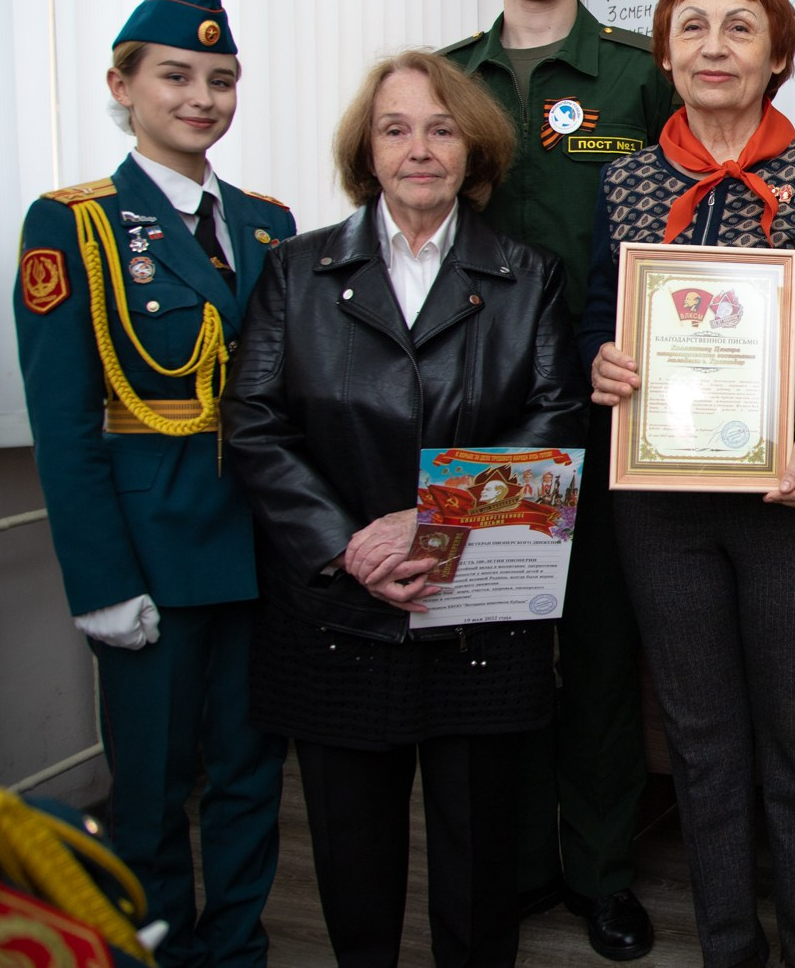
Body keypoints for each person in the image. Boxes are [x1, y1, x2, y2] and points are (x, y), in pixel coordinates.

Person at [222, 51, 586, 968]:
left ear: (473, 147)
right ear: (367, 150)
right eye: (396, 128)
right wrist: (349, 544)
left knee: (479, 865)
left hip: (478, 611)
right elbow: (255, 425)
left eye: (441, 126)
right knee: (353, 860)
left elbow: (555, 422)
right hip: (339, 610)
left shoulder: (528, 273)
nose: (419, 148)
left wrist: (433, 521)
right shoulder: (295, 271)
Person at [583, 0, 795, 968]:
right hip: (662, 512)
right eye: (692, 25)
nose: (714, 45)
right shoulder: (624, 184)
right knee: (701, 748)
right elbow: (595, 321)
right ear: (665, 56)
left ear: (776, 55)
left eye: (739, 25)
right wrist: (602, 365)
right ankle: (730, 949)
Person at [13, 0, 293, 968]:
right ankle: (160, 953)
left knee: (252, 777)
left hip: (258, 551)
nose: (201, 98)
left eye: (221, 78)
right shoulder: (73, 225)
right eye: (175, 75)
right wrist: (100, 584)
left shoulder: (267, 222)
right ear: (121, 85)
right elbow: (64, 429)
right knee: (150, 789)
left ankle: (239, 947)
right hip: (153, 555)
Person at [439, 0, 679, 958]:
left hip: (608, 414)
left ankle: (599, 871)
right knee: (491, 646)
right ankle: (514, 863)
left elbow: (683, 227)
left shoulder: (638, 75)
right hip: (481, 424)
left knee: (597, 653)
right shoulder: (446, 82)